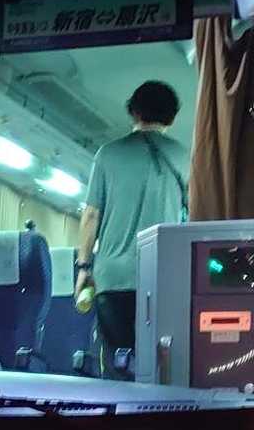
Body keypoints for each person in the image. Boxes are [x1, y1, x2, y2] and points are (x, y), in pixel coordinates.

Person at [74, 80, 189, 380]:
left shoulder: (107, 154)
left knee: (119, 364)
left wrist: (84, 267)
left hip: (113, 278)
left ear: (134, 112)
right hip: (163, 276)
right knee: (163, 365)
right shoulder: (183, 156)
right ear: (172, 118)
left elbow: (91, 216)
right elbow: (196, 219)